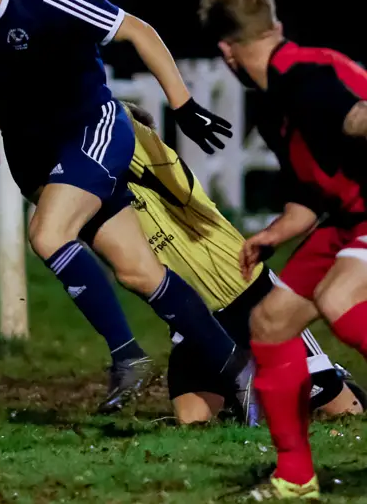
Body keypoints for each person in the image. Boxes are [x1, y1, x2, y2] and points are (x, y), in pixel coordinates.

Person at [0, 0, 251, 415]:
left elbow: (138, 31)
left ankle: (127, 356)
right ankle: (241, 371)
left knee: (47, 236)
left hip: (93, 132)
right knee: (139, 272)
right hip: (36, 157)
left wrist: (181, 105)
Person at [200, 0, 367, 499]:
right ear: (273, 27)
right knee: (270, 324)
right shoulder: (276, 99)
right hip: (345, 217)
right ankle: (296, 477)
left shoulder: (304, 76)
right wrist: (272, 234)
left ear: (226, 52)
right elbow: (308, 197)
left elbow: (357, 117)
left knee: (338, 299)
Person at [118, 102, 363, 425]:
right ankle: (245, 394)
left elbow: (119, 123)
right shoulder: (107, 198)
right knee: (192, 422)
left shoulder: (167, 174)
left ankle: (338, 382)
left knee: (346, 412)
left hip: (248, 295)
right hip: (194, 319)